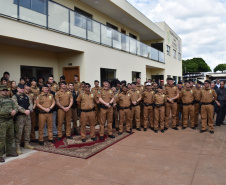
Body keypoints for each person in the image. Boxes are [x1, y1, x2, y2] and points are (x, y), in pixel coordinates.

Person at [12, 84, 34, 155]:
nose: (22, 90)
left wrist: (29, 110)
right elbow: (16, 105)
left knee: (28, 130)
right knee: (19, 132)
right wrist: (24, 111)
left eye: (23, 88)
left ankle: (26, 144)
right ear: (17, 89)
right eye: (20, 88)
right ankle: (17, 147)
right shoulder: (14, 97)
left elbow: (31, 103)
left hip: (27, 116)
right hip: (20, 117)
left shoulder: (26, 96)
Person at [0, 85, 18, 163]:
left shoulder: (10, 99)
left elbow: (15, 107)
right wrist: (10, 112)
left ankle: (9, 151)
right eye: (3, 90)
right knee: (1, 139)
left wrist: (15, 111)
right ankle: (0, 155)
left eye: (6, 90)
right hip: (2, 121)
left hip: (10, 120)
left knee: (10, 137)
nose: (5, 91)